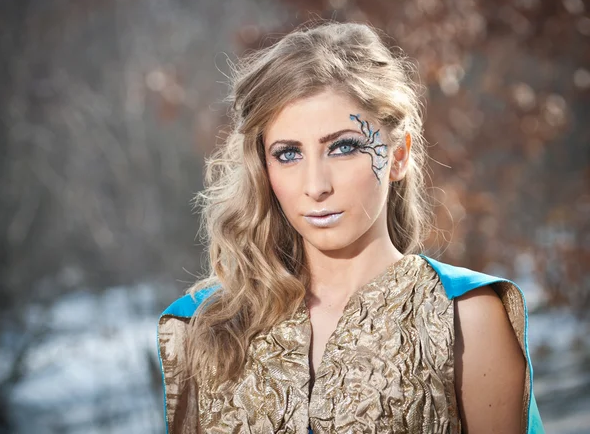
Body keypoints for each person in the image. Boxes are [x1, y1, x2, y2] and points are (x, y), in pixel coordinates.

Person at [157, 22, 545, 433]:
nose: (316, 186)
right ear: (263, 168)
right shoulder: (209, 326)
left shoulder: (466, 317)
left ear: (397, 155)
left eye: (343, 147)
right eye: (288, 154)